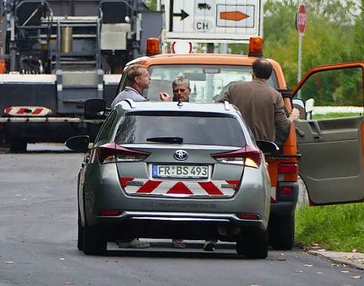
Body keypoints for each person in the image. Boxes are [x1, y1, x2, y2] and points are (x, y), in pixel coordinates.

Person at [161, 77, 218, 251]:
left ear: (189, 91)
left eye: (182, 91)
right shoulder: (167, 109)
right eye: (176, 91)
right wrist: (166, 105)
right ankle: (177, 237)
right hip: (174, 162)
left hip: (197, 161)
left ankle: (210, 237)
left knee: (205, 200)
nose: (179, 94)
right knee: (176, 201)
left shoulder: (198, 111)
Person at [111, 64, 153, 249]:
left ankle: (118, 234)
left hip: (121, 149)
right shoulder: (138, 102)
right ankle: (127, 237)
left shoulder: (121, 98)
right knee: (135, 192)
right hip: (134, 151)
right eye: (146, 75)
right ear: (137, 80)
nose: (149, 78)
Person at [219, 58, 299, 144]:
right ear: (269, 76)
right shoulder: (275, 96)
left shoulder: (234, 88)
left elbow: (219, 109)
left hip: (236, 143)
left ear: (253, 73)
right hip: (262, 147)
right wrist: (292, 117)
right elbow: (283, 125)